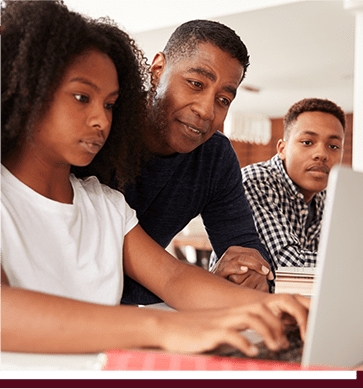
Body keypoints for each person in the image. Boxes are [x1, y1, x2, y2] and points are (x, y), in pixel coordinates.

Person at [0, 0, 309, 355]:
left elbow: (174, 277)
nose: (101, 120)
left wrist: (277, 307)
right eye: (82, 97)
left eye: (110, 104)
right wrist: (166, 328)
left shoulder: (105, 204)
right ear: (27, 92)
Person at [109, 20, 275, 306]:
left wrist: (251, 274)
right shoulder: (100, 128)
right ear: (158, 70)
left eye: (223, 99)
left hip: (138, 312)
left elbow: (245, 247)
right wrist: (205, 283)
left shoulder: (215, 158)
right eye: (195, 84)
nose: (206, 111)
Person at [239, 98, 345, 270]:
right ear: (282, 149)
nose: (321, 154)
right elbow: (288, 265)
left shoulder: (327, 195)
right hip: (243, 296)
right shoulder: (256, 182)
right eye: (307, 142)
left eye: (333, 146)